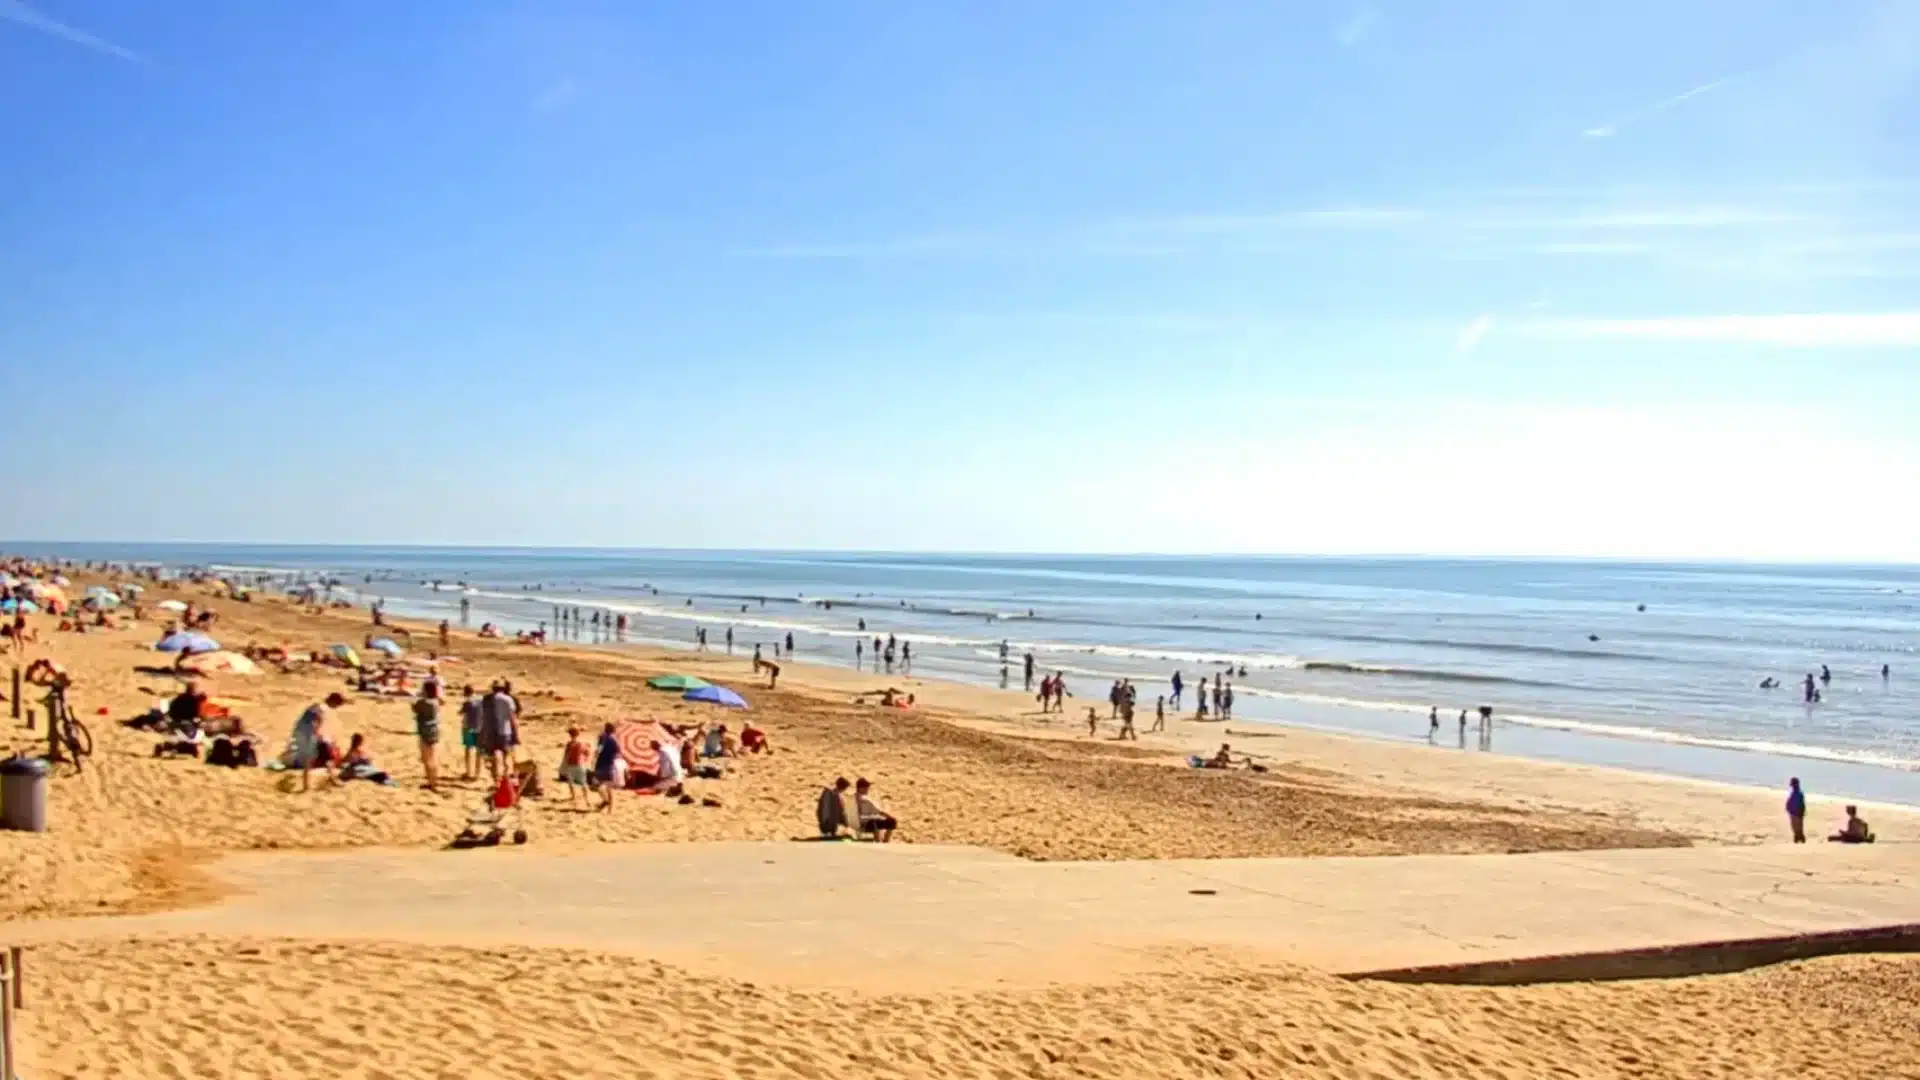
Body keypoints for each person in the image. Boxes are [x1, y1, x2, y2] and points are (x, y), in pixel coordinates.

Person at [289, 692, 345, 792]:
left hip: (304, 734)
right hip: (310, 736)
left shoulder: (315, 706)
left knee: (327, 755)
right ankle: (306, 786)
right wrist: (321, 737)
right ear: (334, 701)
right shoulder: (323, 709)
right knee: (310, 760)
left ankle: (331, 778)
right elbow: (316, 723)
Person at [412, 683, 442, 792]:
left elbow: (414, 708)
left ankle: (431, 782)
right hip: (435, 731)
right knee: (434, 758)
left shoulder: (423, 702)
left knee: (427, 759)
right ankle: (435, 781)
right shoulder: (436, 702)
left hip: (424, 731)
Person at [853, 778, 897, 842]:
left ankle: (879, 839)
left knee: (874, 819)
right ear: (861, 788)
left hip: (856, 824)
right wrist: (891, 817)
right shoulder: (866, 800)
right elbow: (880, 812)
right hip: (866, 825)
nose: (867, 790)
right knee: (892, 821)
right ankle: (885, 841)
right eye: (866, 788)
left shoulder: (852, 798)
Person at [458, 685, 482, 781]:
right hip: (480, 727)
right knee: (479, 751)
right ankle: (477, 773)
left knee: (468, 749)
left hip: (468, 727)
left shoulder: (467, 702)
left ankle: (468, 772)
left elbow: (461, 713)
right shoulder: (481, 700)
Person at [1785, 778, 1807, 842]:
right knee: (1794, 828)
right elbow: (1789, 802)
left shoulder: (1799, 793)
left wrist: (1801, 813)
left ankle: (1800, 840)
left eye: (1793, 785)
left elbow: (1802, 805)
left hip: (1797, 813)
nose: (1792, 786)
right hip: (1793, 813)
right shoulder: (1794, 793)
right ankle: (1797, 839)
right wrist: (1788, 808)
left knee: (1798, 829)